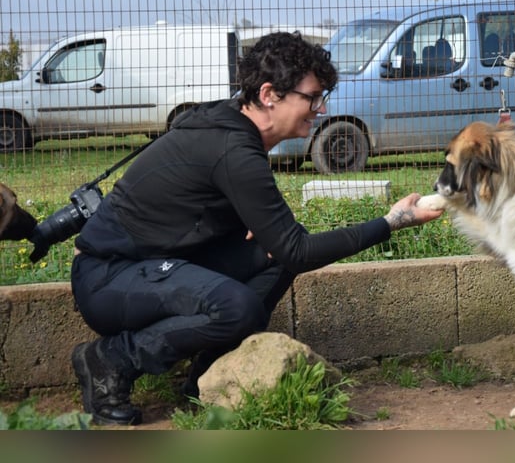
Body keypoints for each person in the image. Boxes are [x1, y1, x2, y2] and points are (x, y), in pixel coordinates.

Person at [69, 31, 443, 426]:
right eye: (312, 97)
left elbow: (275, 244)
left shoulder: (234, 130)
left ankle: (208, 379)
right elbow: (298, 248)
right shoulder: (234, 149)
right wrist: (391, 222)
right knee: (238, 305)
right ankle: (111, 360)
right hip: (109, 277)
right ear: (270, 94)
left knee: (273, 258)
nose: (319, 108)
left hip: (152, 265)